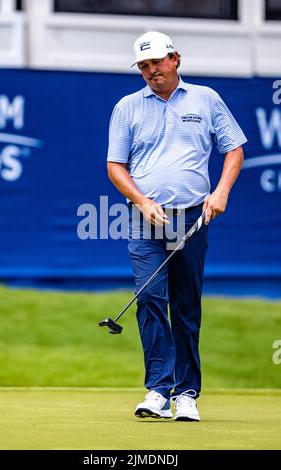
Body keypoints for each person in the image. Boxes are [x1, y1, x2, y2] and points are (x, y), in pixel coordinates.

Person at [107, 31, 247, 421]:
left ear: (175, 59)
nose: (151, 71)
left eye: (156, 62)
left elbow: (233, 149)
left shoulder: (206, 99)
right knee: (150, 299)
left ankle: (186, 393)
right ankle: (158, 389)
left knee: (186, 305)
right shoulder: (127, 107)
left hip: (193, 218)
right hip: (145, 218)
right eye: (144, 66)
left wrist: (221, 192)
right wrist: (142, 201)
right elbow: (115, 166)